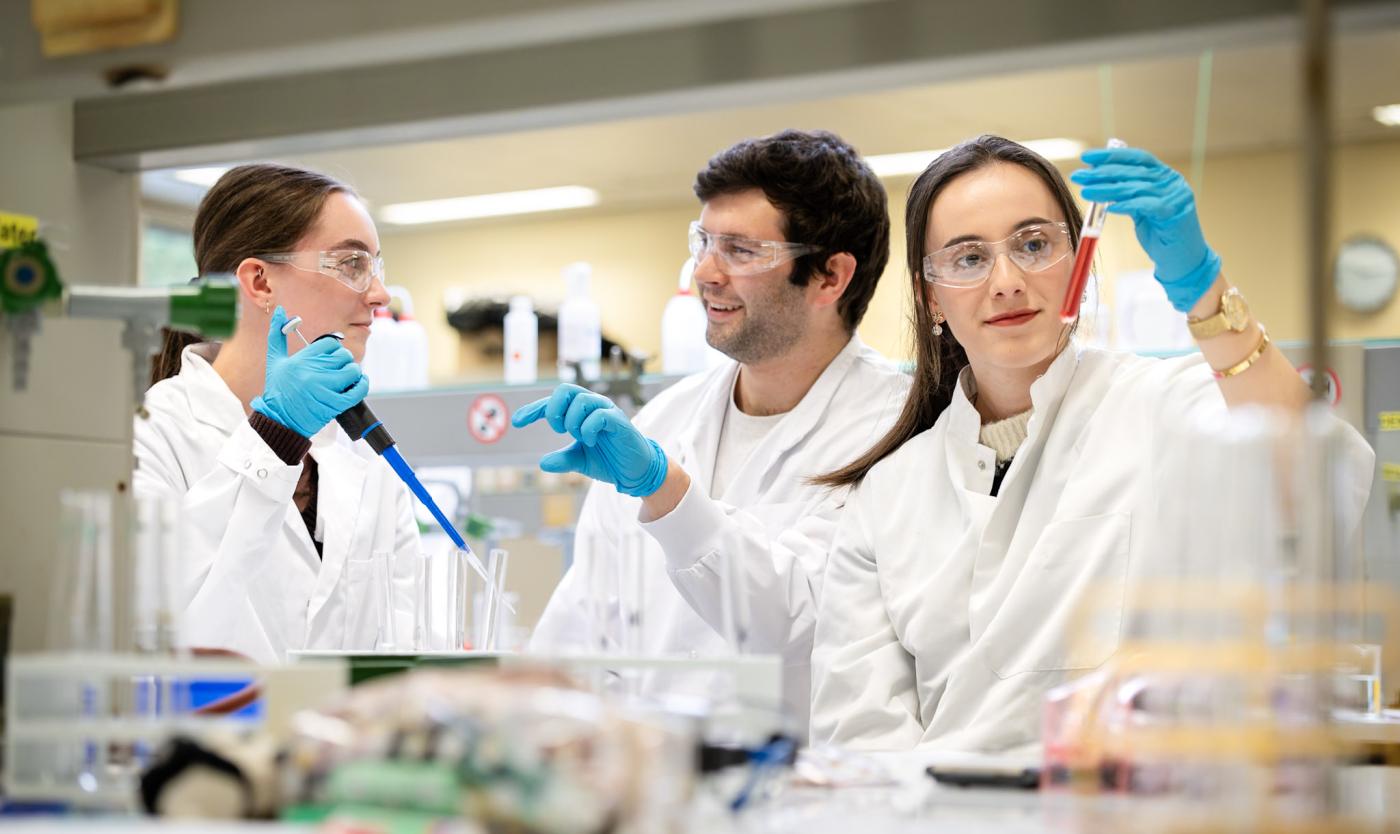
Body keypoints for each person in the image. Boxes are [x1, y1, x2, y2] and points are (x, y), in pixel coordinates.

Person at [807, 136, 1375, 751]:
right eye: (968, 258)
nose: (1006, 281)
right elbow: (857, 737)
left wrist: (1204, 290)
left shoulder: (1165, 404)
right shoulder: (888, 494)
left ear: (1080, 261)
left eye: (1033, 245)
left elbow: (1322, 480)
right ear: (930, 296)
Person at [515, 129, 909, 733]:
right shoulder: (664, 421)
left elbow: (800, 619)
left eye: (740, 250)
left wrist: (667, 492)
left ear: (831, 277)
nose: (704, 272)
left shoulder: (900, 428)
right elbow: (580, 646)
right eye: (703, 242)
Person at [134, 163, 420, 663]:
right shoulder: (151, 436)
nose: (379, 295)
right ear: (260, 282)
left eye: (377, 266)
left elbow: (407, 648)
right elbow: (162, 636)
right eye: (352, 264)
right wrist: (274, 438)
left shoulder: (368, 461)